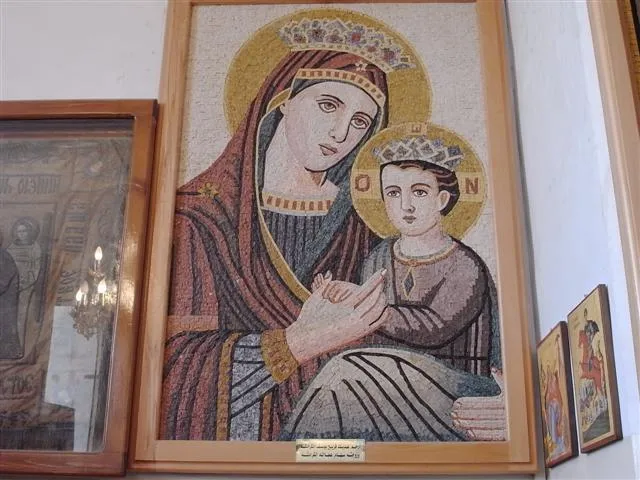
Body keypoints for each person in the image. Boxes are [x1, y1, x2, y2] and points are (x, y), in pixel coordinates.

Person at [161, 13, 419, 441]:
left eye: (361, 122)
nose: (341, 132)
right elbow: (174, 370)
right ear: (283, 98)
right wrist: (299, 342)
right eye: (328, 105)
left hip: (340, 441)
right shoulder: (200, 220)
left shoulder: (367, 227)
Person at [282, 132, 505, 441]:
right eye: (394, 193)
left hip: (452, 388)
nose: (406, 205)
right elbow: (366, 333)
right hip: (387, 379)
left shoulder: (464, 265)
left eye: (420, 192)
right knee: (341, 379)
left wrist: (370, 307)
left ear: (442, 200)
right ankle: (307, 456)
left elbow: (435, 328)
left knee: (344, 375)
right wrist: (337, 305)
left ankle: (298, 457)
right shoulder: (380, 256)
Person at [0, 230, 22, 360]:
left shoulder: (4, 257)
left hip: (4, 304)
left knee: (5, 329)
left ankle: (8, 353)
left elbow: (3, 282)